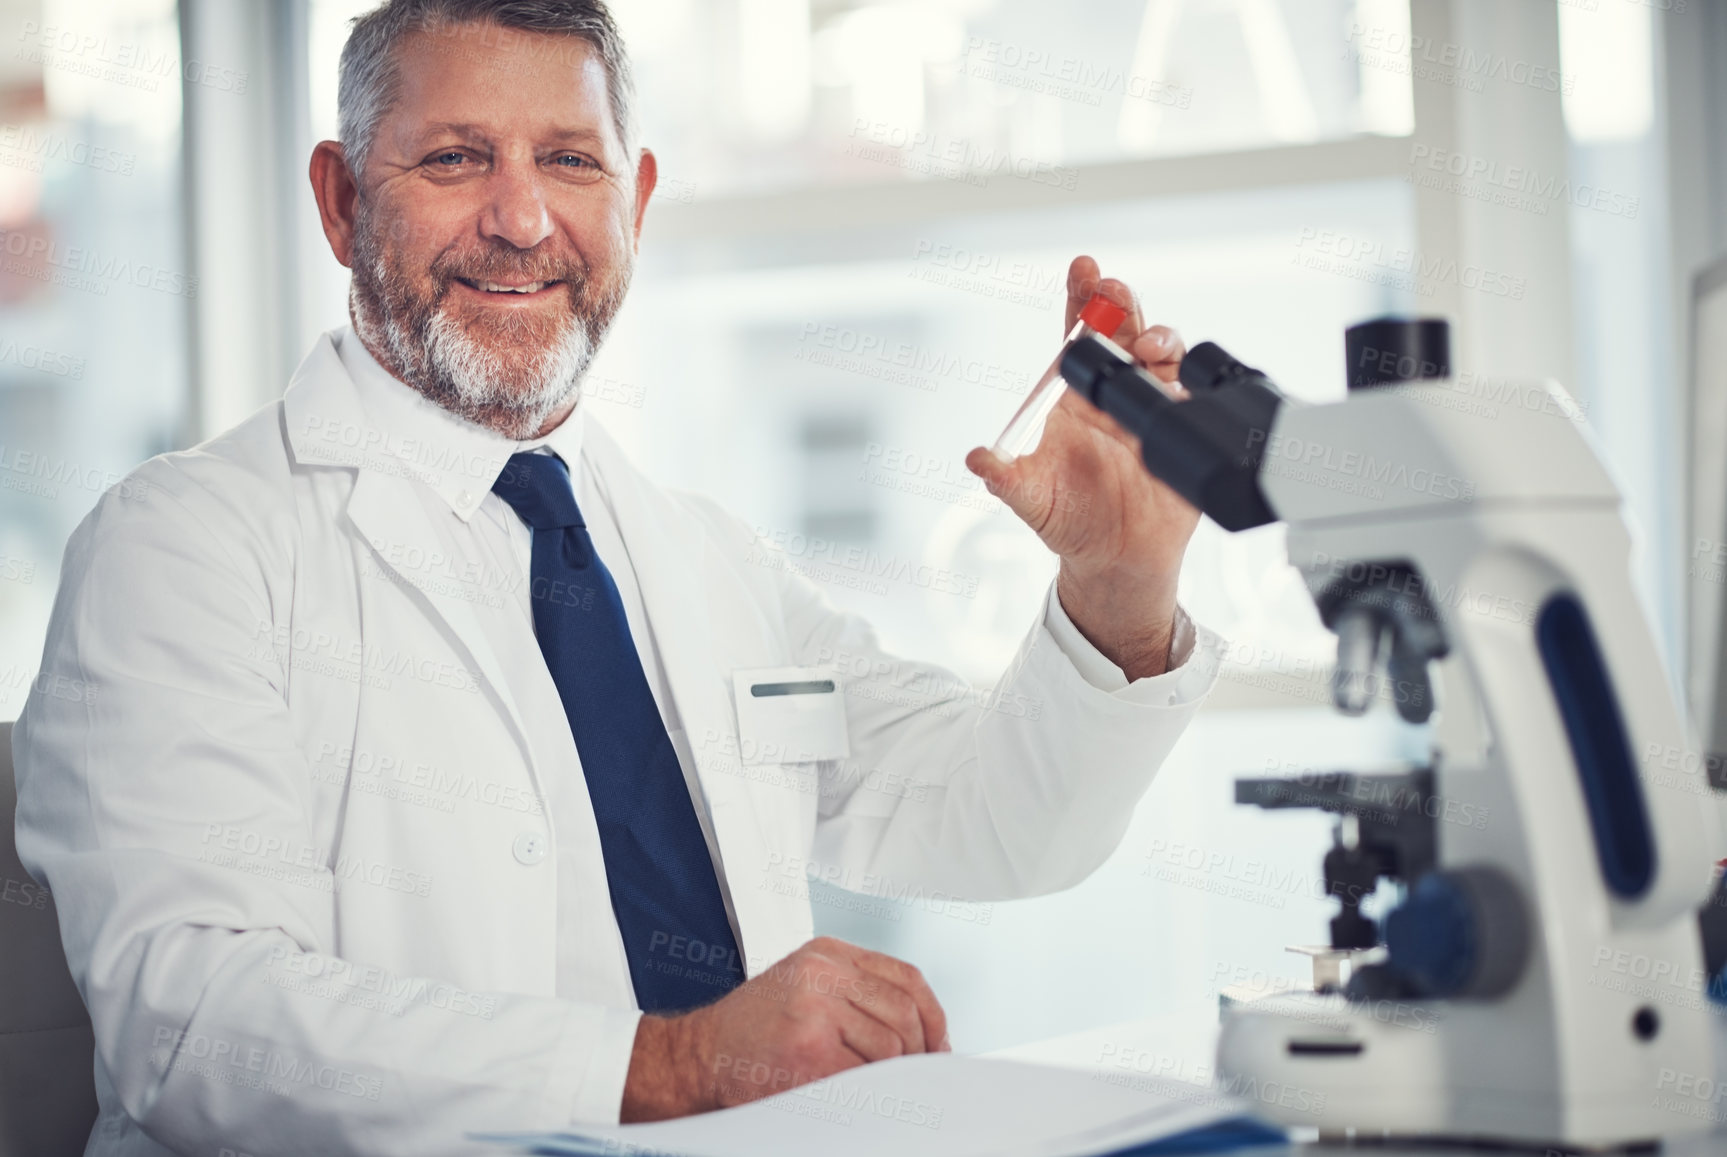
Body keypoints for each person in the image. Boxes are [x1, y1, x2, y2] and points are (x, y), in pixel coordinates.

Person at [13, 1, 1219, 1153]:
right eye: (453, 159)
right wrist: (676, 1064)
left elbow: (988, 820)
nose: (523, 218)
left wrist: (1116, 586)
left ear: (635, 200)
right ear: (337, 202)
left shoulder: (701, 556)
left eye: (571, 162)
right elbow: (196, 1020)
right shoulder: (180, 548)